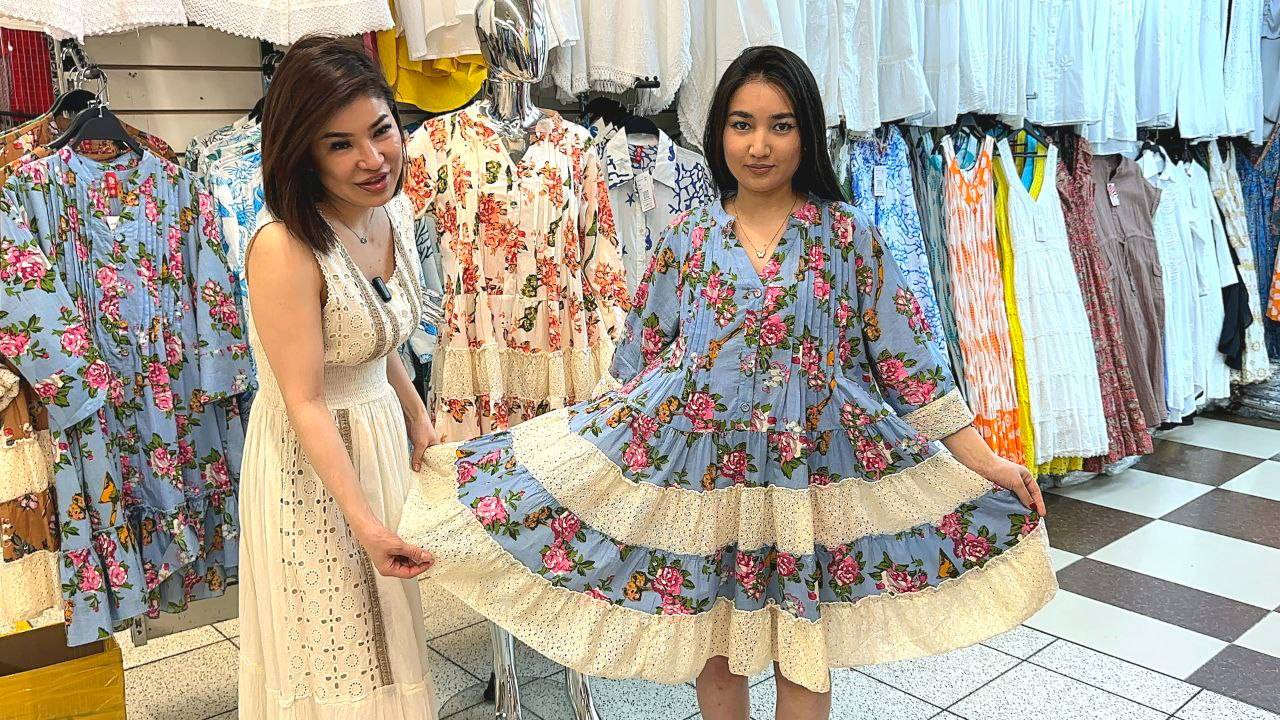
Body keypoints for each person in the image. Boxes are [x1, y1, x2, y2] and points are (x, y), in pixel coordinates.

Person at [400, 46, 1057, 720]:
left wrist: (985, 462)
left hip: (809, 479)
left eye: (780, 125)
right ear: (719, 132)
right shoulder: (687, 236)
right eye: (742, 124)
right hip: (705, 480)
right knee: (713, 645)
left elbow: (908, 362)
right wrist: (574, 462)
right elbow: (636, 363)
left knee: (803, 647)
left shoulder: (847, 236)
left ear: (808, 132)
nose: (759, 145)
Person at [237, 36, 440, 720]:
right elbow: (305, 398)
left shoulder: (392, 212)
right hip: (311, 462)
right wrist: (365, 522)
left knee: (391, 637)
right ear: (303, 153)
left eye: (381, 130)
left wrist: (416, 416)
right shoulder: (285, 246)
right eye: (339, 144)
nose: (373, 159)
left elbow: (372, 336)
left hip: (376, 437)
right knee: (337, 648)